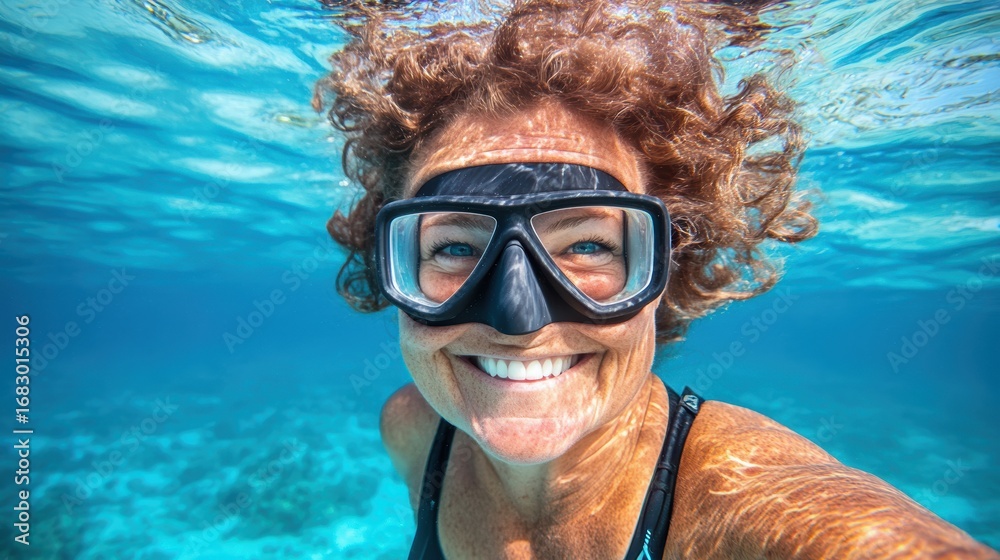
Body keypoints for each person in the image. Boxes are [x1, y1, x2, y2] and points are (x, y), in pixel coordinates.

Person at [313, 1, 1000, 558]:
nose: (518, 317)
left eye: (586, 244)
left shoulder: (747, 511)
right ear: (391, 267)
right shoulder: (412, 428)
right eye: (455, 249)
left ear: (670, 268)